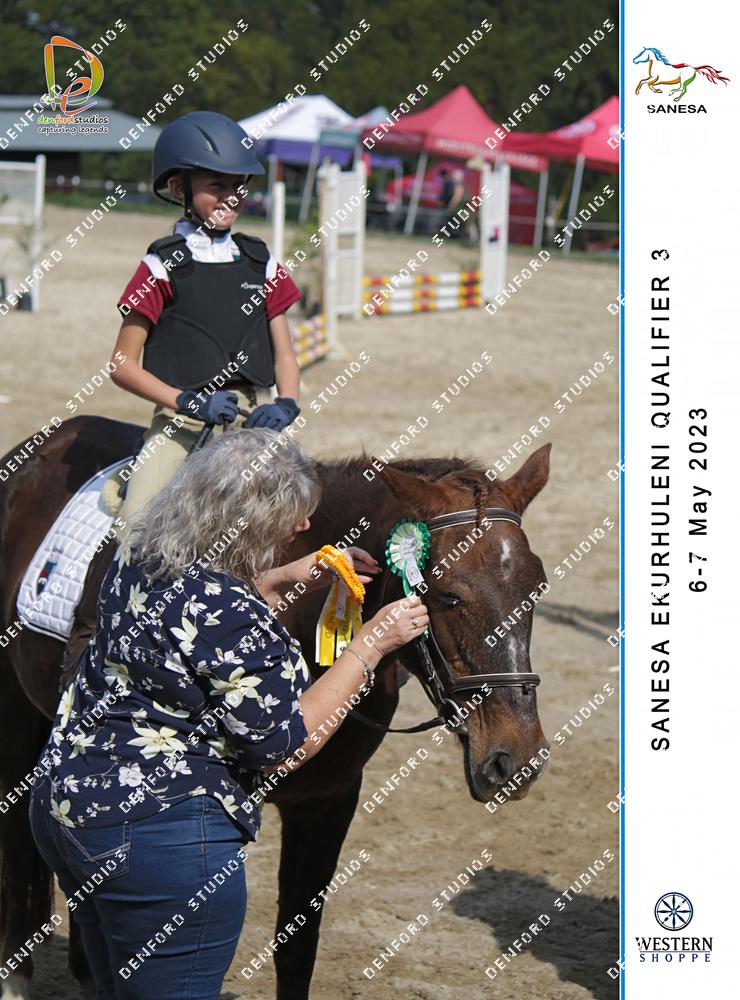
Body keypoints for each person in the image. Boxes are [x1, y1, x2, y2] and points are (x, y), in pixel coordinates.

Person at [30, 428, 429, 1000]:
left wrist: (283, 580)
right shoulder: (230, 614)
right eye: (292, 517)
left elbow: (196, 622)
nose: (301, 529)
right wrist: (369, 647)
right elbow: (284, 742)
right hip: (162, 847)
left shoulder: (138, 554)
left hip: (68, 810)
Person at [112, 110, 303, 527]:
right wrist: (188, 401)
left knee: (300, 519)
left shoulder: (262, 262)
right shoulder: (159, 266)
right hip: (181, 422)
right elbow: (121, 365)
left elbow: (285, 355)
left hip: (256, 422)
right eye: (217, 185)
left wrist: (287, 403)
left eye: (239, 185)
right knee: (136, 525)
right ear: (179, 187)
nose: (231, 196)